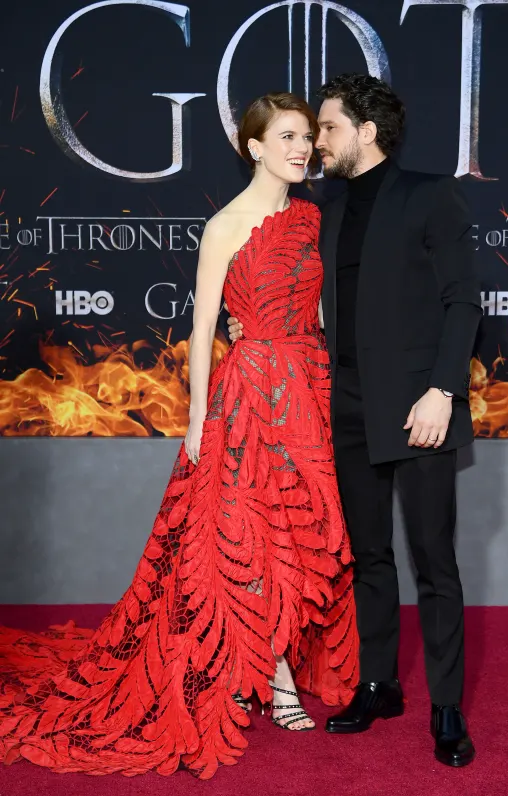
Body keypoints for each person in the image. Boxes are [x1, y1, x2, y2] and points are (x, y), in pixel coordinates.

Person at [0, 92, 358, 780]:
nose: (301, 148)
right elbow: (201, 331)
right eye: (286, 136)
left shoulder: (314, 218)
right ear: (253, 146)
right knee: (256, 533)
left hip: (308, 386)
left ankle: (276, 657)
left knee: (307, 530)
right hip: (249, 392)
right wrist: (197, 424)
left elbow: (320, 309)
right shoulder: (225, 226)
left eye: (306, 137)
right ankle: (275, 673)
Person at [227, 74, 481, 768]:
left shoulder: (429, 194)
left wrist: (442, 391)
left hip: (421, 409)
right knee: (369, 557)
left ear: (366, 133)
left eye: (329, 129)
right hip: (348, 408)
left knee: (435, 562)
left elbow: (463, 302)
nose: (317, 142)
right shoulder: (327, 212)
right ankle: (379, 684)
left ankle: (449, 707)